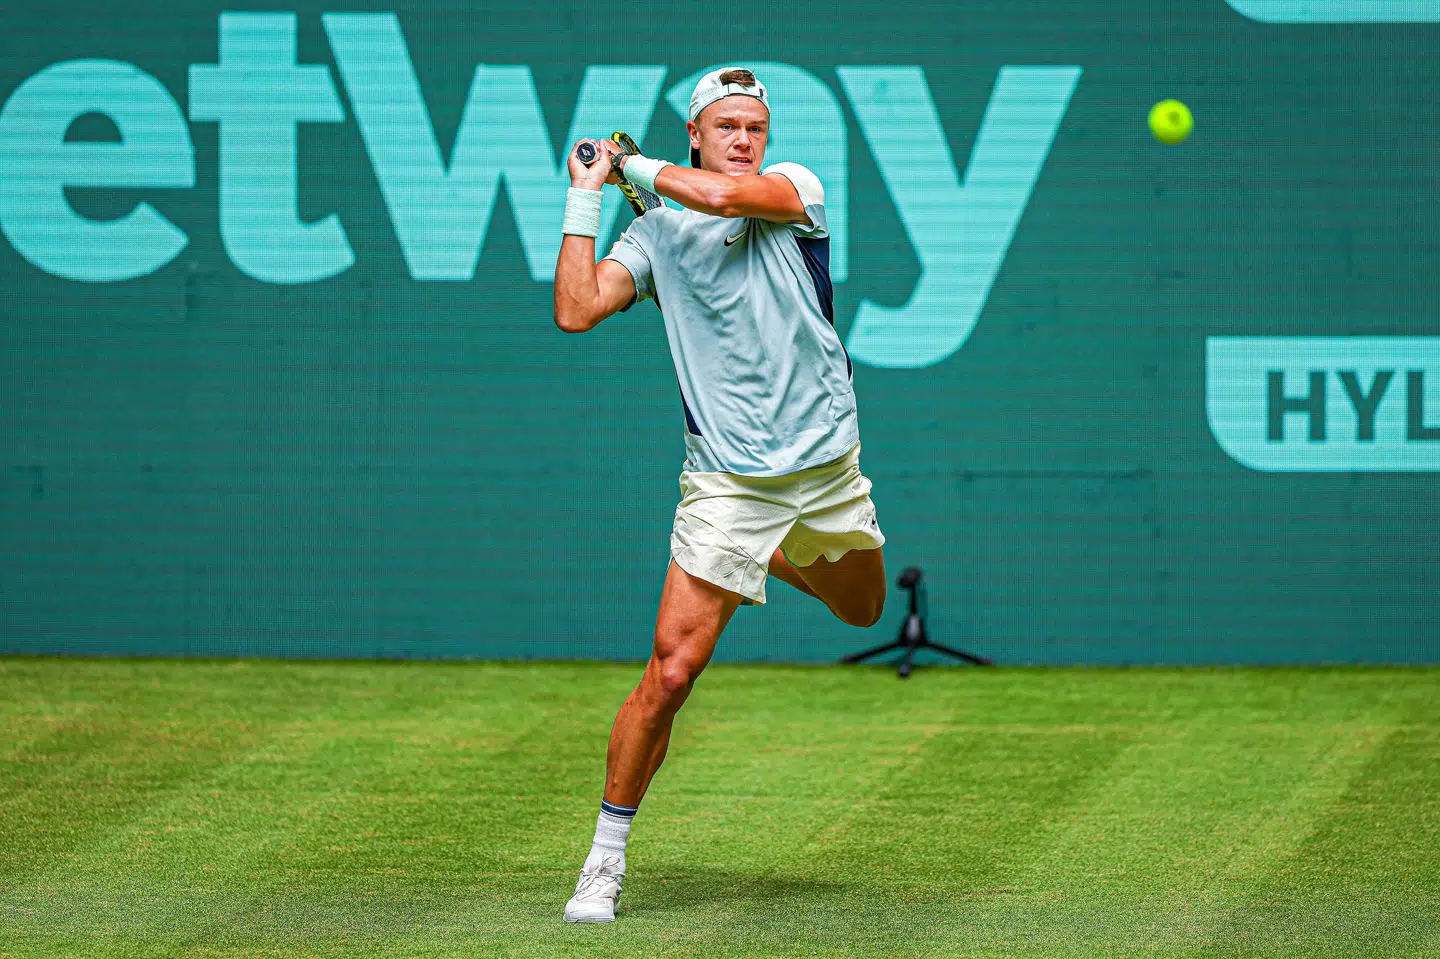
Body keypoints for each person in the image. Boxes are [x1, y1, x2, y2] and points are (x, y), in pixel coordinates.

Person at [553, 67, 888, 923]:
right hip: (726, 481)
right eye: (728, 127)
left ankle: (772, 557)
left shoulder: (794, 193)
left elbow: (719, 196)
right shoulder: (658, 236)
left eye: (756, 128)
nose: (745, 140)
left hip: (824, 469)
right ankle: (603, 859)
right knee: (670, 673)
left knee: (862, 610)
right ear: (698, 131)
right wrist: (587, 199)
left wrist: (632, 166)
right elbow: (578, 308)